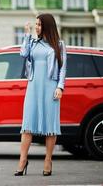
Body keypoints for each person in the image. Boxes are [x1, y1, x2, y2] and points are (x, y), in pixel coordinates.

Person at [14, 13, 67, 176]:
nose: (36, 27)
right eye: (35, 24)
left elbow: (63, 68)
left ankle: (48, 160)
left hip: (51, 88)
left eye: (39, 24)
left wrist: (60, 87)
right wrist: (26, 34)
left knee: (50, 127)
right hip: (33, 87)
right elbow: (23, 54)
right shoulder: (32, 42)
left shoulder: (59, 44)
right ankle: (23, 160)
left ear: (47, 26)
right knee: (27, 125)